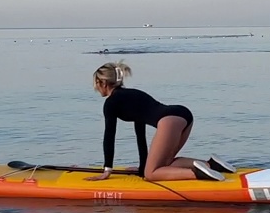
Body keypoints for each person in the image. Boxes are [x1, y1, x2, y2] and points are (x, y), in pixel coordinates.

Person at [83, 61, 235, 182]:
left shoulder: (111, 103)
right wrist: (142, 167)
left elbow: (109, 137)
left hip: (169, 121)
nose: (95, 88)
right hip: (183, 114)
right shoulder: (133, 94)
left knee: (152, 174)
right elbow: (140, 133)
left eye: (96, 84)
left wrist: (107, 170)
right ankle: (211, 165)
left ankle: (197, 173)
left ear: (102, 83)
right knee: (166, 163)